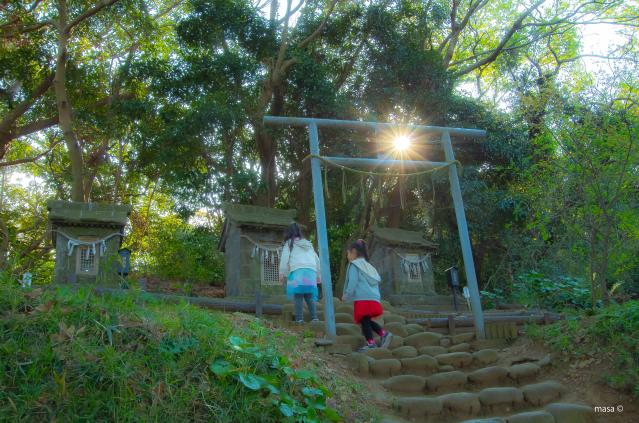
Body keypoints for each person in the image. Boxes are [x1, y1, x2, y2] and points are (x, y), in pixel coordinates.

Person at [342, 239, 392, 351]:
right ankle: (383, 334)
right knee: (366, 320)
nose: (347, 256)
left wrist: (347, 295)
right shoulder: (369, 267)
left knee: (364, 321)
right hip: (374, 298)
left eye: (348, 253)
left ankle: (371, 343)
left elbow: (353, 282)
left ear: (354, 252)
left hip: (363, 298)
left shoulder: (355, 265)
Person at [279, 222, 321, 323]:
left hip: (298, 271)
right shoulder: (308, 244)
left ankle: (299, 319)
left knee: (298, 295)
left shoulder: (289, 243)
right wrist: (318, 275)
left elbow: (284, 258)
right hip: (311, 271)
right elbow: (316, 259)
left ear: (288, 233)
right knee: (309, 295)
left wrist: (282, 273)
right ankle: (314, 318)